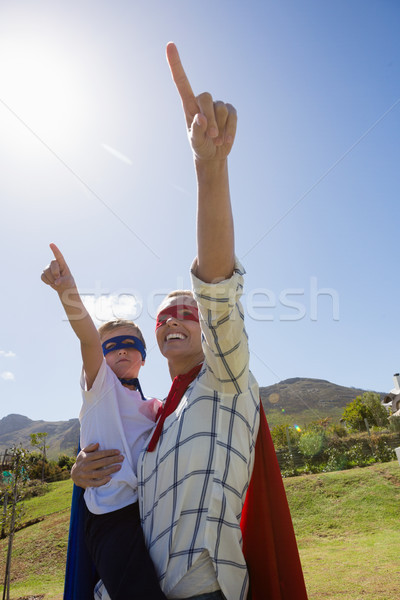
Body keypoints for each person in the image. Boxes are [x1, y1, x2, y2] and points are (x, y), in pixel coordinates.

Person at [71, 42, 309, 600]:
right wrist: (82, 476)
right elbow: (115, 479)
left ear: (205, 327)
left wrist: (209, 171)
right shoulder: (154, 420)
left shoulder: (225, 380)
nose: (175, 319)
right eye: (163, 316)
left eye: (187, 312)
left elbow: (219, 286)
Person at [41, 244, 167, 600]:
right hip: (111, 516)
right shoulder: (101, 389)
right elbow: (86, 337)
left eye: (131, 344)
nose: (121, 350)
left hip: (151, 515)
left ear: (143, 358)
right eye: (111, 346)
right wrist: (68, 292)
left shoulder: (156, 407)